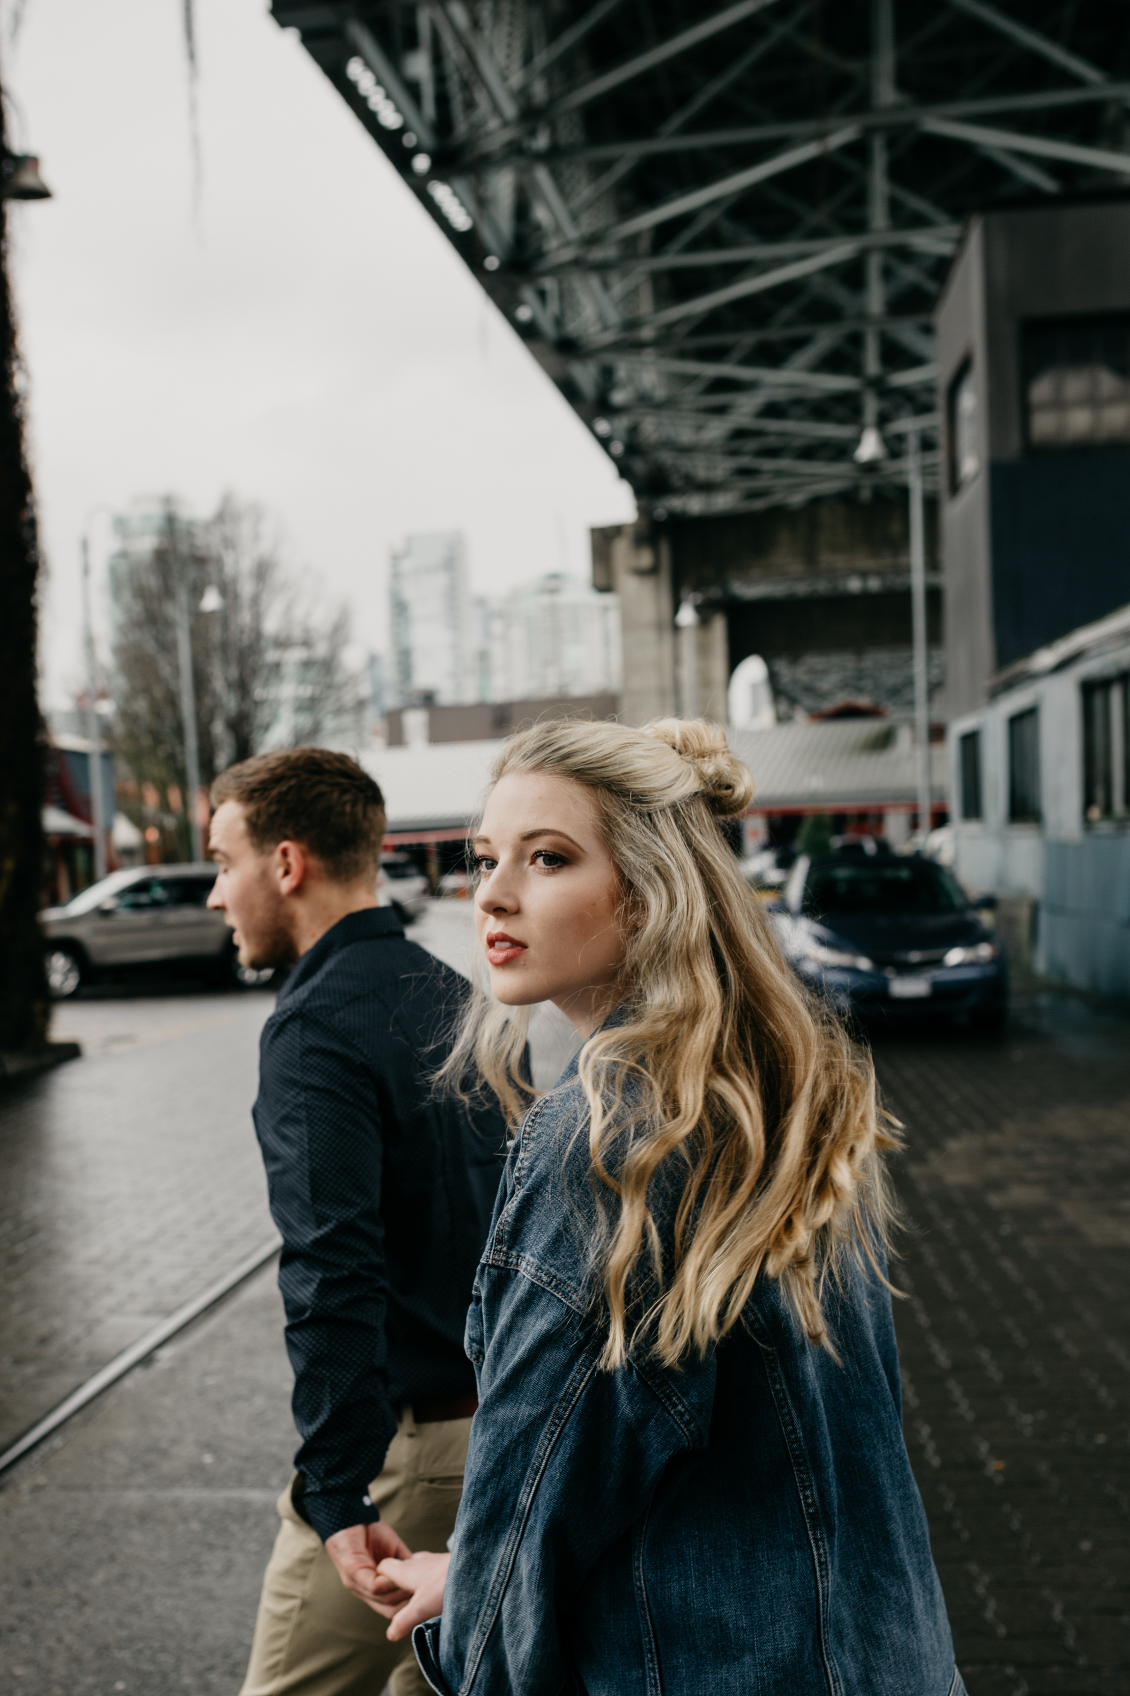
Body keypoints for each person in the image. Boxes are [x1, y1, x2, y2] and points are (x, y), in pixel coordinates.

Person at [371, 718, 963, 1696]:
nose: (491, 893)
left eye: (547, 857)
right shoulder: (782, 1091)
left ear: (647, 897)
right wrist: (471, 1577)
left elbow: (527, 1513)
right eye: (484, 859)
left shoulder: (603, 1143)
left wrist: (459, 1646)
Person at [206, 747, 506, 1696]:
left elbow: (332, 1268)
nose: (218, 896)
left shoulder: (313, 1031)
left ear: (286, 865)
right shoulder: (455, 994)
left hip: (400, 1460)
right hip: (497, 1436)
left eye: (223, 863)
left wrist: (336, 1492)